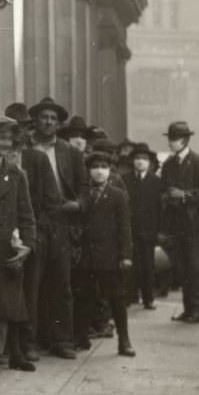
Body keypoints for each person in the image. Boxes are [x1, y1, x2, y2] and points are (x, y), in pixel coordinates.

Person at [28, 96, 86, 360]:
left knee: (61, 283)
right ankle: (30, 341)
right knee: (32, 283)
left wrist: (77, 204)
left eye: (53, 118)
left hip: (61, 221)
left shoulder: (69, 152)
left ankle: (62, 340)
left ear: (58, 123)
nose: (48, 122)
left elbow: (84, 188)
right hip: (33, 220)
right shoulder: (26, 148)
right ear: (36, 120)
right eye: (44, 117)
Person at [4, 101, 62, 362]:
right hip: (1, 236)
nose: (16, 135)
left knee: (30, 291)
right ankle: (3, 345)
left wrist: (34, 235)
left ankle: (27, 342)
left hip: (31, 236)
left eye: (22, 128)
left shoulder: (36, 159)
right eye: (10, 130)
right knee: (3, 290)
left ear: (29, 130)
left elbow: (52, 202)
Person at [0, 117, 36, 376]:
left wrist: (27, 246)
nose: (5, 143)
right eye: (0, 138)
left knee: (0, 303)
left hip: (3, 246)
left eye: (9, 139)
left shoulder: (15, 174)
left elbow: (26, 215)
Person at [74, 151, 136, 357]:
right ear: (88, 171)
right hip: (87, 257)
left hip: (110, 257)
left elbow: (125, 228)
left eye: (103, 167)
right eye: (94, 167)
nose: (99, 171)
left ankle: (124, 340)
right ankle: (81, 338)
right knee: (84, 298)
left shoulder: (118, 195)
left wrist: (126, 255)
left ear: (110, 171)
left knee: (117, 299)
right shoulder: (83, 195)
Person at [160, 121, 199, 324]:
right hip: (177, 224)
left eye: (173, 139)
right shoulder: (168, 164)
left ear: (184, 140)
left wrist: (184, 195)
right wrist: (167, 196)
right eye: (170, 138)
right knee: (182, 268)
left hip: (195, 225)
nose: (170, 142)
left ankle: (197, 310)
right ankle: (188, 309)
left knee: (194, 267)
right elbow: (164, 188)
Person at [127, 142, 165, 310]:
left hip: (149, 230)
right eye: (137, 158)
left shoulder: (156, 182)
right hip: (130, 230)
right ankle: (132, 296)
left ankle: (148, 298)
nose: (140, 161)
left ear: (149, 162)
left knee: (148, 265)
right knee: (131, 263)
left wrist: (158, 230)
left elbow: (160, 209)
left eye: (143, 158)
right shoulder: (125, 180)